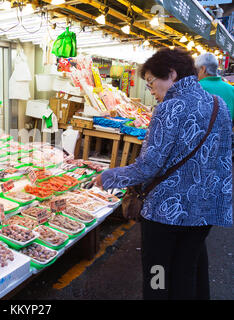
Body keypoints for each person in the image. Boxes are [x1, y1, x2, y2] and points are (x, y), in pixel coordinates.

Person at [92, 48, 232, 300]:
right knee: (185, 273)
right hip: (201, 212)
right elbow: (223, 160)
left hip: (165, 213)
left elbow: (149, 166)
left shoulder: (169, 108)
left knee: (157, 272)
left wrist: (109, 177)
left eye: (151, 83)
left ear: (171, 74)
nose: (151, 91)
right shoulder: (217, 104)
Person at [195, 52, 234, 122]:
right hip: (226, 131)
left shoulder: (196, 87)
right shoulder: (232, 89)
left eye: (197, 70)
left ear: (203, 69)